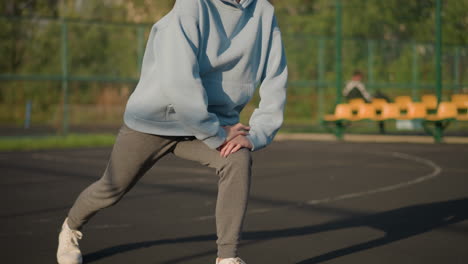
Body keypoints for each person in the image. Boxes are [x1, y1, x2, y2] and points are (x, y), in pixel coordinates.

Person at [56, 0, 288, 264]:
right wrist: (216, 132)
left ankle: (227, 257)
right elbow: (180, 81)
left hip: (211, 123)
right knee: (111, 189)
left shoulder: (264, 13)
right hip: (156, 120)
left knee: (237, 158)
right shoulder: (192, 5)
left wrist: (257, 133)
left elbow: (276, 77)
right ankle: (71, 227)